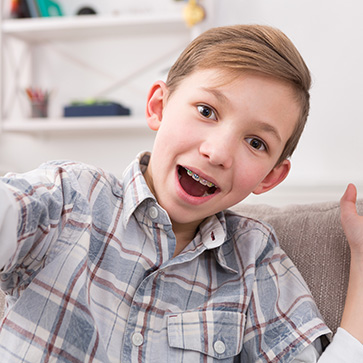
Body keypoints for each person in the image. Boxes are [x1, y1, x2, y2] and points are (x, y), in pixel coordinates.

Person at [0, 24, 362, 362]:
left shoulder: (254, 259)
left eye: (255, 142)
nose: (218, 152)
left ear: (269, 177)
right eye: (206, 111)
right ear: (158, 106)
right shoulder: (69, 196)